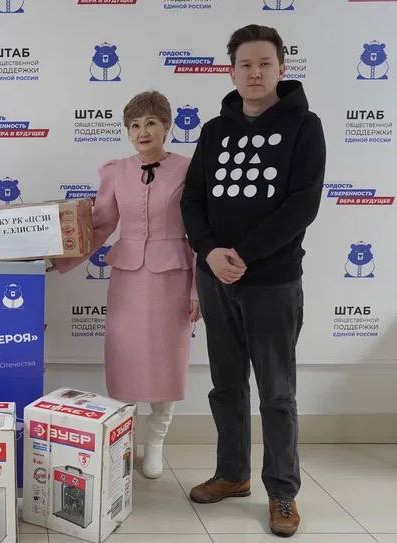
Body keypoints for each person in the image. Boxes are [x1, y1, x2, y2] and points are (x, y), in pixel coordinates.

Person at [180, 24, 325, 538]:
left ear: (281, 68)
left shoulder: (304, 126)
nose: (255, 73)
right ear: (232, 71)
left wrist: (242, 254)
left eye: (265, 63)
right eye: (245, 64)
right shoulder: (214, 130)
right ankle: (233, 473)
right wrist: (209, 251)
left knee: (277, 392)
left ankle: (282, 490)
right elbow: (192, 199)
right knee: (225, 385)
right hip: (215, 278)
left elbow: (302, 204)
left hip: (273, 281)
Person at [54, 90, 200, 479]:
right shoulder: (115, 171)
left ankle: (156, 445)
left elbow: (202, 233)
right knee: (125, 361)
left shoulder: (190, 169)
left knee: (168, 363)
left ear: (167, 126)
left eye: (150, 123)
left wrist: (197, 290)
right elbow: (100, 225)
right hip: (127, 280)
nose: (142, 132)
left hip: (174, 278)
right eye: (134, 125)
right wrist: (59, 260)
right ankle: (124, 443)